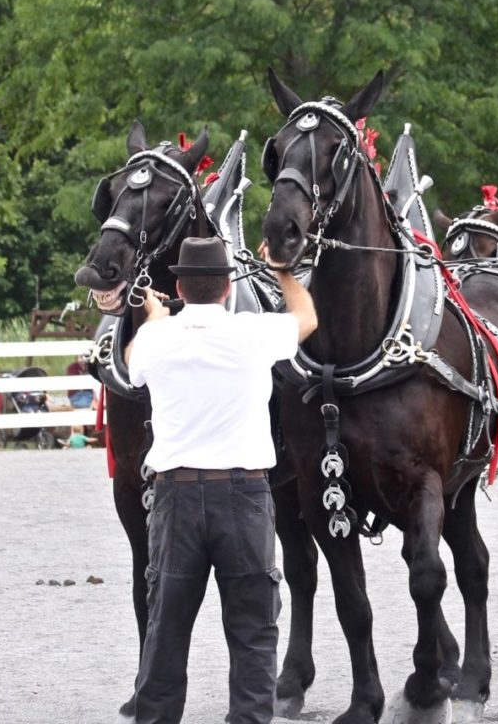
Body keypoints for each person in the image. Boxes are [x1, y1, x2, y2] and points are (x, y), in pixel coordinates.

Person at [124, 238, 317, 724]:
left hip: (175, 495)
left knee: (165, 629)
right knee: (254, 631)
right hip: (245, 494)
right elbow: (306, 318)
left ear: (180, 286)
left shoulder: (157, 337)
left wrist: (152, 316)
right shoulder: (252, 332)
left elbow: (131, 364)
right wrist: (283, 271)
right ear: (229, 287)